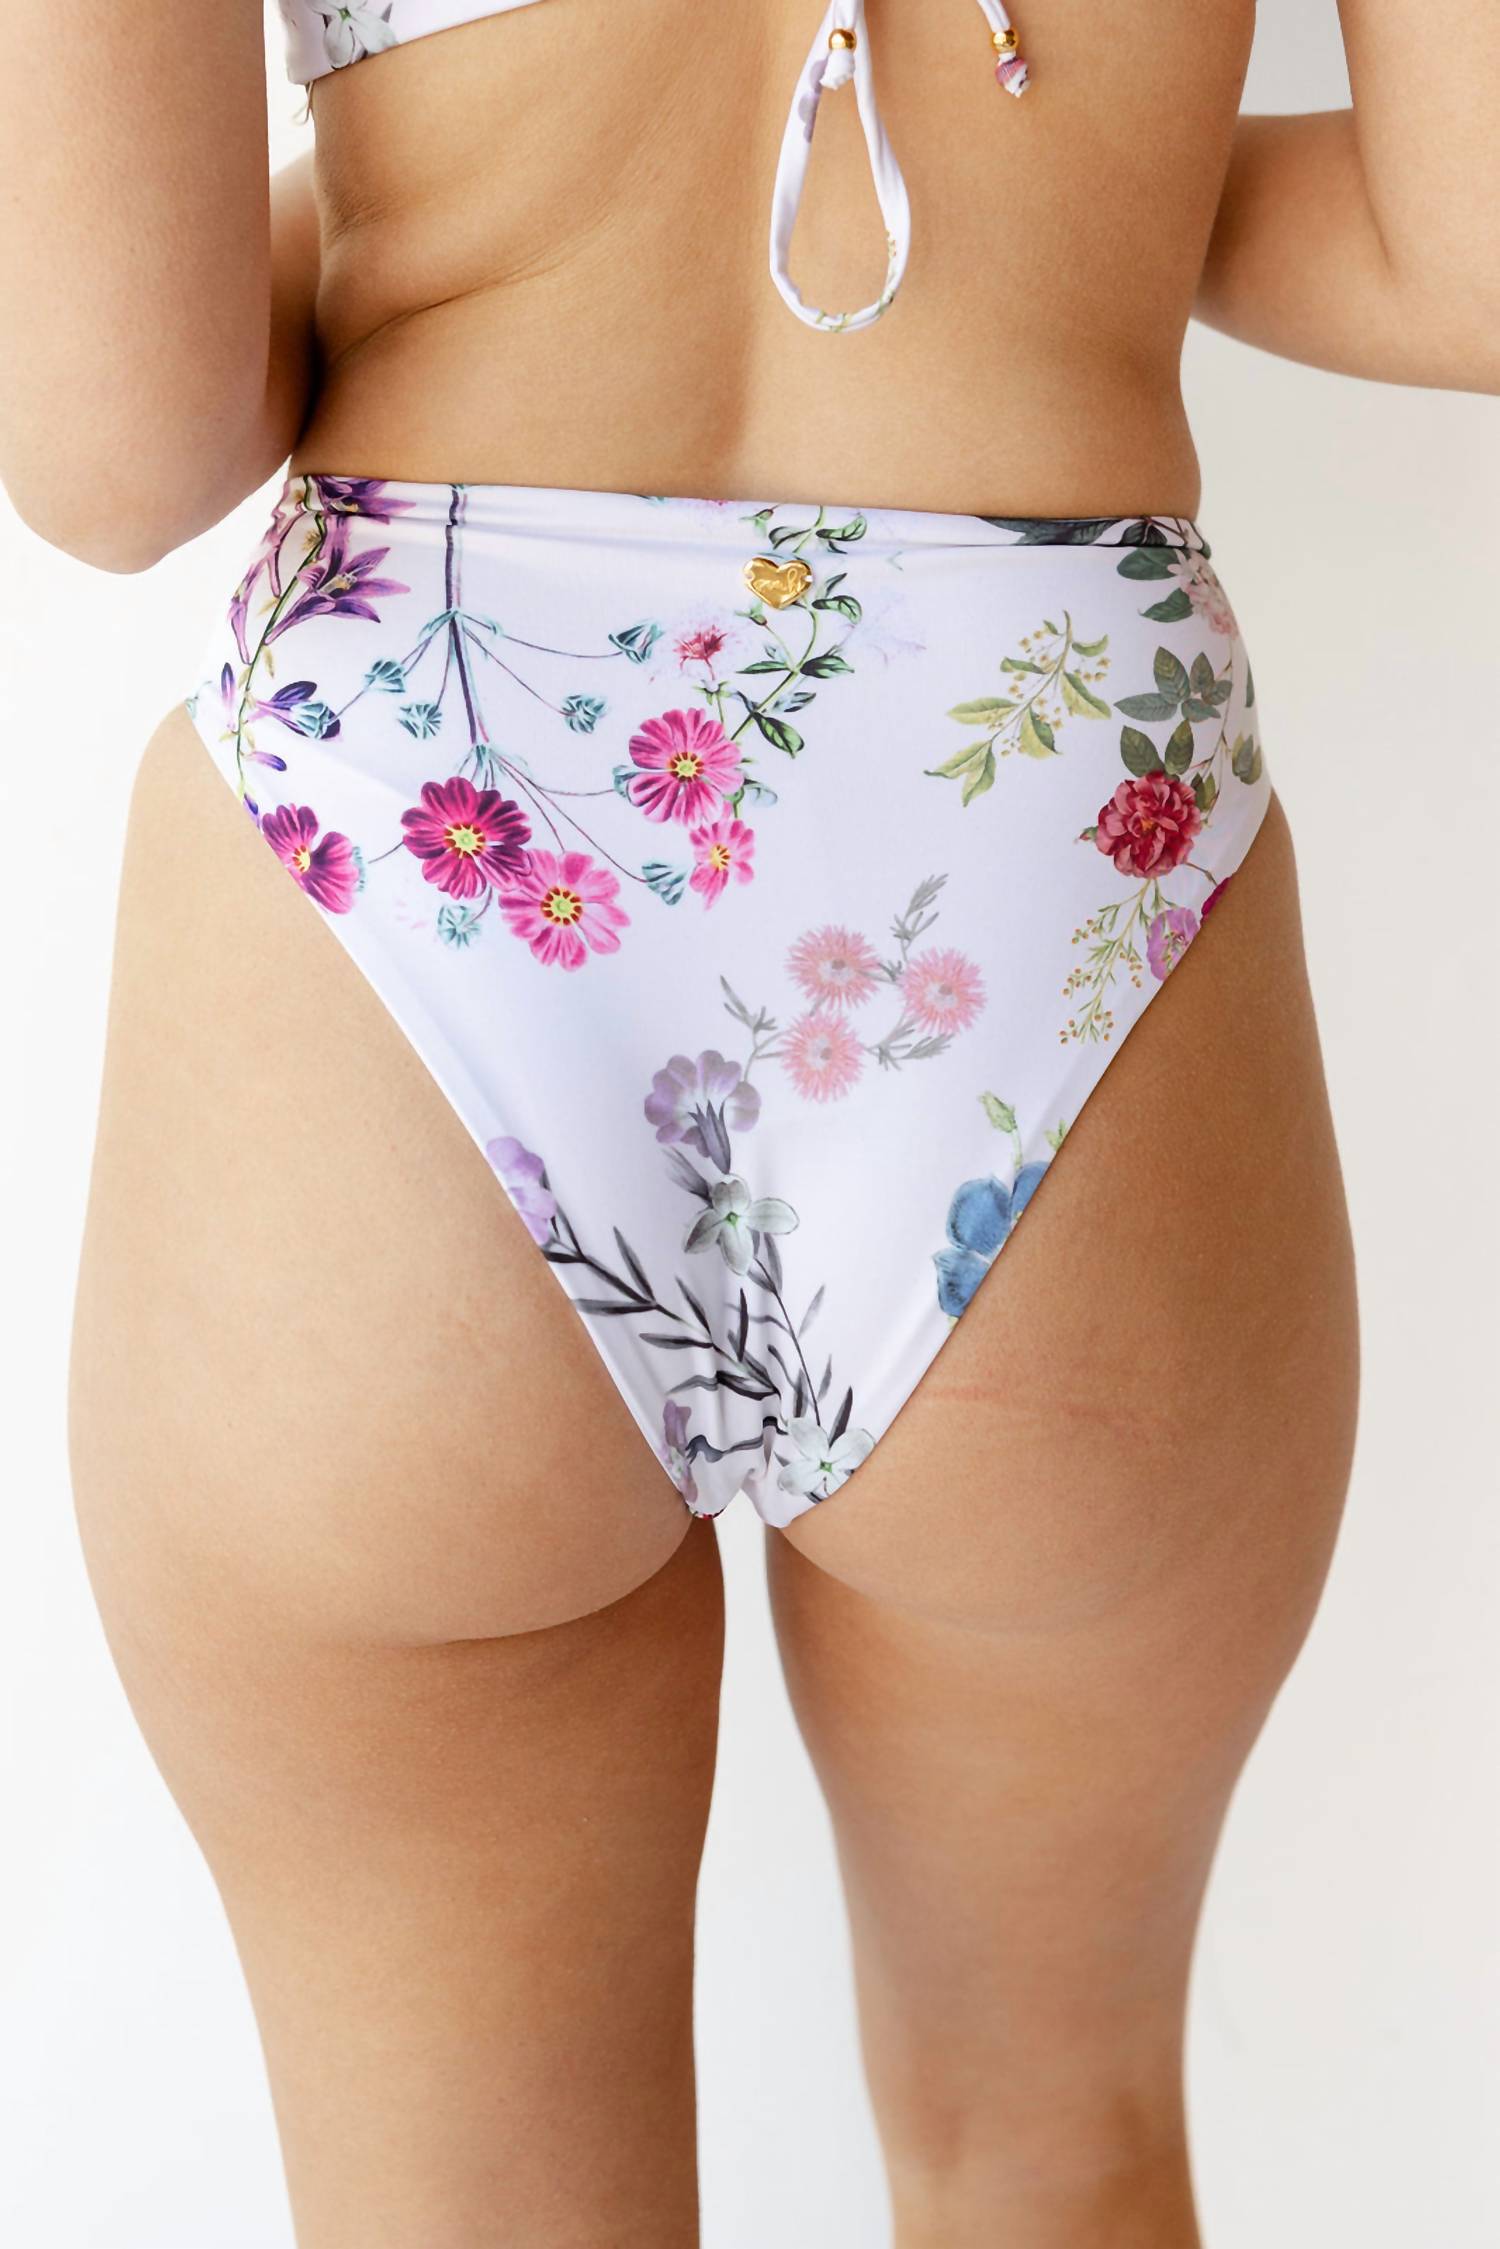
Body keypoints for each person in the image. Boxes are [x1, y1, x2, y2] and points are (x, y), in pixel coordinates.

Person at [3, 4, 1494, 2243]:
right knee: (1048, 2155)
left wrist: (446, 209)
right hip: (1044, 790)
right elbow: (1473, 254)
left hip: (420, 801)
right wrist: (1091, 192)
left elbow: (121, 441)